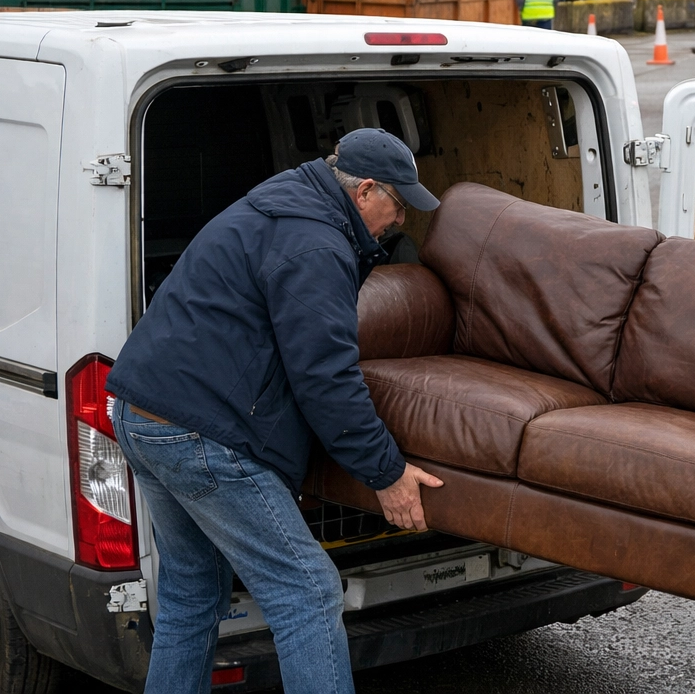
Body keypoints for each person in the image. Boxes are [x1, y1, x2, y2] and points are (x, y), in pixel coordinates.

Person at [106, 129, 446, 694]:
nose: (401, 220)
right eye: (399, 203)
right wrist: (385, 472)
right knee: (308, 590)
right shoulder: (316, 245)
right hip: (200, 436)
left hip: (143, 415)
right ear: (364, 191)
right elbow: (325, 376)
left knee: (192, 595)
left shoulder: (282, 201)